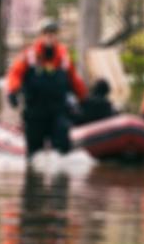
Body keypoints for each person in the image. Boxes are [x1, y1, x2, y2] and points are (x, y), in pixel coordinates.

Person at [6, 20, 87, 158]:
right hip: (35, 111)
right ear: (41, 36)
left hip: (58, 110)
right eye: (47, 34)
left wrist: (84, 99)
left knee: (62, 144)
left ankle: (61, 175)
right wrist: (13, 91)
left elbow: (74, 80)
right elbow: (15, 74)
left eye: (53, 34)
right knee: (34, 153)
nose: (50, 37)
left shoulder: (63, 57)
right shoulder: (29, 56)